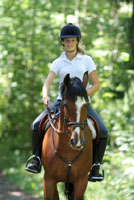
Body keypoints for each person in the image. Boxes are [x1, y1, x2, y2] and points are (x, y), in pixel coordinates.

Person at [25, 23, 108, 182]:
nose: (69, 44)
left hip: (82, 104)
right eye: (66, 41)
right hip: (61, 102)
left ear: (77, 41)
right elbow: (47, 82)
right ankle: (36, 159)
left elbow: (96, 85)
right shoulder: (58, 62)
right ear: (62, 43)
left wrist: (82, 95)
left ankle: (96, 165)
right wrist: (45, 96)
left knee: (102, 131)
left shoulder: (87, 60)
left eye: (72, 40)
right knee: (36, 125)